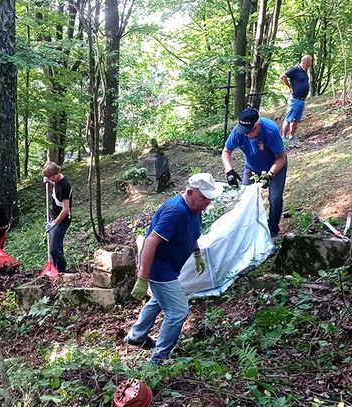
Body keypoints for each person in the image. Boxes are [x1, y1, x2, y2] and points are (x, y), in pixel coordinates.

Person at [125, 173, 220, 365]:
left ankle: (136, 335)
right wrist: (143, 277)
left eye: (210, 198)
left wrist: (197, 253)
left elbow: (192, 233)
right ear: (190, 192)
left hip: (171, 266)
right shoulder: (175, 211)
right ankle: (159, 358)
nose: (207, 202)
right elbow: (150, 241)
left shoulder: (195, 208)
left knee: (159, 300)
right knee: (178, 311)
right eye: (204, 198)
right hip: (159, 268)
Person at [221, 107, 287, 238]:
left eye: (249, 131)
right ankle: (250, 228)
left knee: (275, 198)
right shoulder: (238, 132)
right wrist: (229, 171)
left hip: (275, 166)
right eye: (243, 131)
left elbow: (281, 157)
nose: (246, 134)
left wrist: (270, 175)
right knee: (245, 198)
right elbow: (226, 152)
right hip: (251, 168)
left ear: (257, 125)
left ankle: (273, 231)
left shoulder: (270, 131)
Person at [42, 161, 73, 273]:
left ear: (56, 173)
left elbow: (65, 210)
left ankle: (62, 271)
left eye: (51, 176)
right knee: (56, 247)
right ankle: (57, 269)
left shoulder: (65, 186)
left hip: (62, 221)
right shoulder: (57, 181)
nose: (50, 178)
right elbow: (56, 185)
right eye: (47, 176)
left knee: (54, 249)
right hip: (55, 218)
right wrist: (50, 182)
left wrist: (54, 223)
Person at [280, 54, 312, 139]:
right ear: (306, 61)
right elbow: (283, 76)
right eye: (310, 62)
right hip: (295, 99)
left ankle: (291, 136)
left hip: (302, 100)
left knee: (296, 119)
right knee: (289, 118)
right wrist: (290, 87)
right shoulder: (295, 69)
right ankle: (283, 137)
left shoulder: (304, 71)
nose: (311, 64)